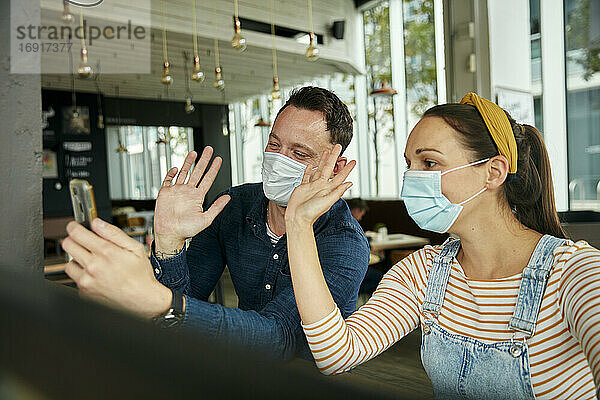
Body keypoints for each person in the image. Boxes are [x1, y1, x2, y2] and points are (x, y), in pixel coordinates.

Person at [283, 93, 600, 398]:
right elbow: (336, 353)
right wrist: (298, 224)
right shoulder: (422, 272)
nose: (412, 178)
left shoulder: (575, 274)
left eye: (429, 163)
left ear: (493, 172)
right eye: (409, 164)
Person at [62, 86, 369, 360]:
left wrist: (164, 303)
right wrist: (169, 244)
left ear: (335, 167)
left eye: (299, 153)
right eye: (274, 145)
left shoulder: (344, 243)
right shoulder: (233, 207)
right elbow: (183, 303)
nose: (279, 160)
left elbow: (283, 337)